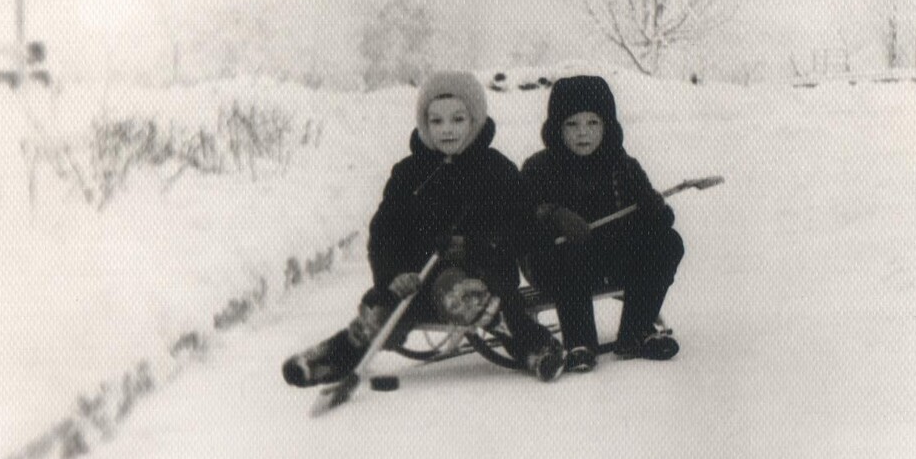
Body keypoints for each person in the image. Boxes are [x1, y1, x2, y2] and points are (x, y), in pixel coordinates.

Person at [283, 71, 566, 387]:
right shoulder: (409, 174)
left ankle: (535, 346)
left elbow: (522, 226)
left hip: (481, 275)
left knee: (460, 292)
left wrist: (476, 245)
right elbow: (385, 234)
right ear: (425, 123)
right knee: (381, 309)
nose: (447, 130)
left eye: (458, 119)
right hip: (418, 279)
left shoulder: (497, 170)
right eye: (437, 121)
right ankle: (330, 359)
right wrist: (394, 276)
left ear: (474, 120)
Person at [521, 75, 684, 373]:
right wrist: (552, 214)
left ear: (607, 125)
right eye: (572, 124)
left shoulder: (622, 165)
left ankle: (635, 331)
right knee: (570, 253)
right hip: (556, 262)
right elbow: (520, 218)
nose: (583, 133)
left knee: (668, 242)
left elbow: (656, 223)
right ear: (557, 128)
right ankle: (579, 342)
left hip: (610, 258)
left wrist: (655, 209)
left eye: (593, 123)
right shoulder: (538, 168)